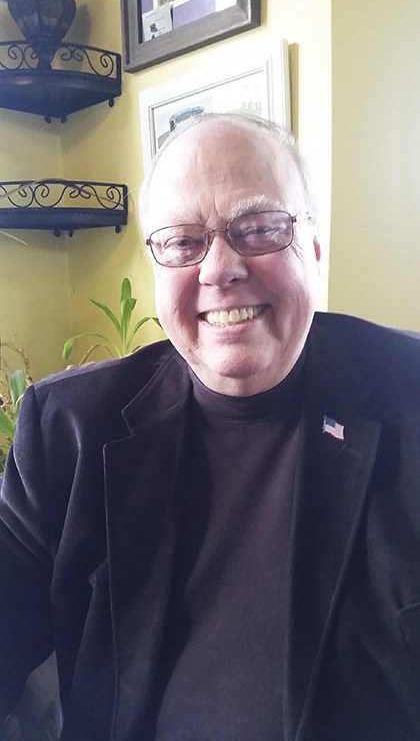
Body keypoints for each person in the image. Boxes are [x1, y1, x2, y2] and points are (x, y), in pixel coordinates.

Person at [1, 112, 420, 741]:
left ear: (313, 248)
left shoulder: (411, 397)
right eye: (182, 241)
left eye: (259, 228)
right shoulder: (67, 429)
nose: (219, 268)